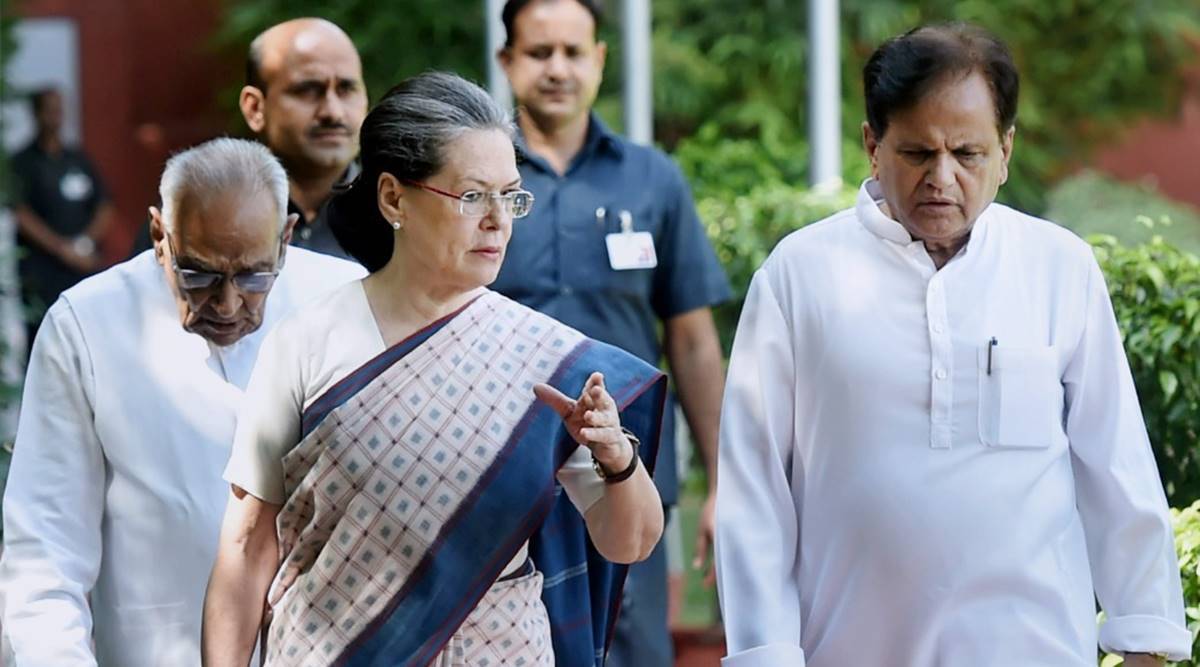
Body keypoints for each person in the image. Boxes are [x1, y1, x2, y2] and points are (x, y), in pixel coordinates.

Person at [715, 23, 1189, 667]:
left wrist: (1145, 641)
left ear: (1005, 151)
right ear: (873, 146)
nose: (942, 177)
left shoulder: (1058, 269)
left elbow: (1116, 466)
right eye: (917, 153)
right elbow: (754, 490)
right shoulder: (798, 277)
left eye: (968, 154)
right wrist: (765, 654)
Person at [202, 72, 667, 667]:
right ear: (394, 198)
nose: (498, 220)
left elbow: (630, 542)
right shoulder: (308, 341)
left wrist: (617, 459)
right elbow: (247, 545)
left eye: (511, 196)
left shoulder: (544, 359)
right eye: (472, 196)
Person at [0, 138, 365, 666]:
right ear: (159, 237)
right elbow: (46, 547)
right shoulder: (87, 325)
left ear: (286, 239)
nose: (228, 303)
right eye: (198, 275)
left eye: (254, 276)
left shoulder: (346, 303)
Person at [493, 2, 731, 663]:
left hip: (629, 474)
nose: (557, 69)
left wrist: (722, 481)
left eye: (574, 52)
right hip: (507, 478)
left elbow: (692, 341)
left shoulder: (653, 179)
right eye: (539, 52)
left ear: (599, 59)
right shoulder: (481, 181)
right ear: (507, 61)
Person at [129, 18, 368, 260]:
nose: (333, 112)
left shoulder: (388, 212)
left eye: (347, 89)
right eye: (308, 90)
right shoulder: (196, 209)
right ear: (255, 108)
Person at [9, 88, 115, 337]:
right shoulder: (22, 163)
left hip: (82, 269)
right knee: (46, 336)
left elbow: (104, 206)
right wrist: (62, 249)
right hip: (42, 275)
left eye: (59, 110)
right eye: (49, 110)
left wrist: (84, 244)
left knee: (87, 334)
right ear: (36, 114)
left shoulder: (78, 159)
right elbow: (21, 214)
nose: (55, 117)